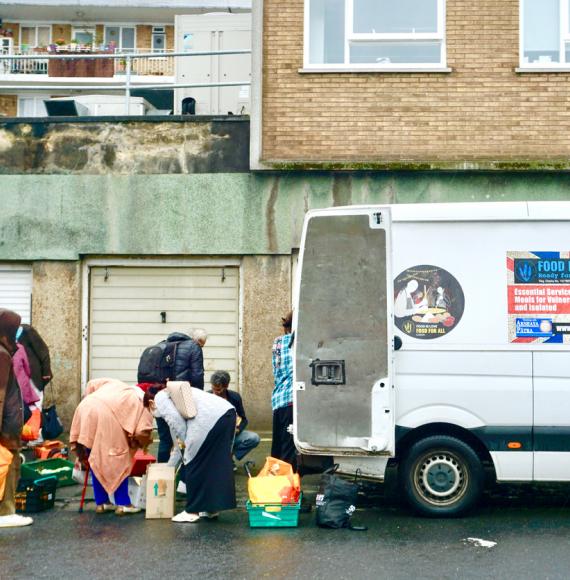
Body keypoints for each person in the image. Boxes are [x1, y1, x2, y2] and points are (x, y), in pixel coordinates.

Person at [144, 382, 236, 523]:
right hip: (227, 414)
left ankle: (192, 511)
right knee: (214, 463)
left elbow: (177, 424)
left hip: (208, 420)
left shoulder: (160, 398)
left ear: (150, 403)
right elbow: (177, 444)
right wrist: (169, 468)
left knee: (193, 462)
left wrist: (187, 450)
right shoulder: (174, 394)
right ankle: (211, 508)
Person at [69, 378, 153, 515]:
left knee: (96, 459)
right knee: (119, 461)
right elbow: (141, 432)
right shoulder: (142, 402)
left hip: (85, 409)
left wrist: (90, 397)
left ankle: (102, 503)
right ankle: (123, 503)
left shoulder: (117, 384)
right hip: (106, 419)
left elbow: (92, 384)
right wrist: (142, 443)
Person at [0, 308, 33, 528]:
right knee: (7, 467)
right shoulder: (2, 354)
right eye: (15, 328)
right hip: (5, 427)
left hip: (7, 424)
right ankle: (5, 512)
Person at [155, 328, 207, 463]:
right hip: (182, 397)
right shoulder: (194, 347)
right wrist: (198, 400)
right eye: (201, 343)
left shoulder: (163, 344)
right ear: (195, 340)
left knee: (165, 439)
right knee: (186, 436)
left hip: (161, 396)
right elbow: (197, 375)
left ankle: (161, 475)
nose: (201, 346)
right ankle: (185, 472)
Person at [210, 370, 260, 466]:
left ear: (226, 386)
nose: (215, 392)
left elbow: (244, 419)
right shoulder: (207, 397)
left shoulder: (235, 397)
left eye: (219, 390)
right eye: (213, 389)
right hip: (213, 437)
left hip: (231, 436)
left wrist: (238, 429)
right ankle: (217, 460)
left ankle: (229, 457)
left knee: (254, 438)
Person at [271, 310, 297, 470]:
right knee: (288, 447)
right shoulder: (298, 342)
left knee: (278, 445)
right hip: (291, 398)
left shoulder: (277, 342)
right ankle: (286, 485)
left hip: (278, 398)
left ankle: (273, 480)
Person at [16, 324, 52, 392]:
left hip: (32, 376)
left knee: (34, 399)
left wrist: (46, 372)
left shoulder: (26, 330)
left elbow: (43, 351)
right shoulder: (6, 334)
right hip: (16, 378)